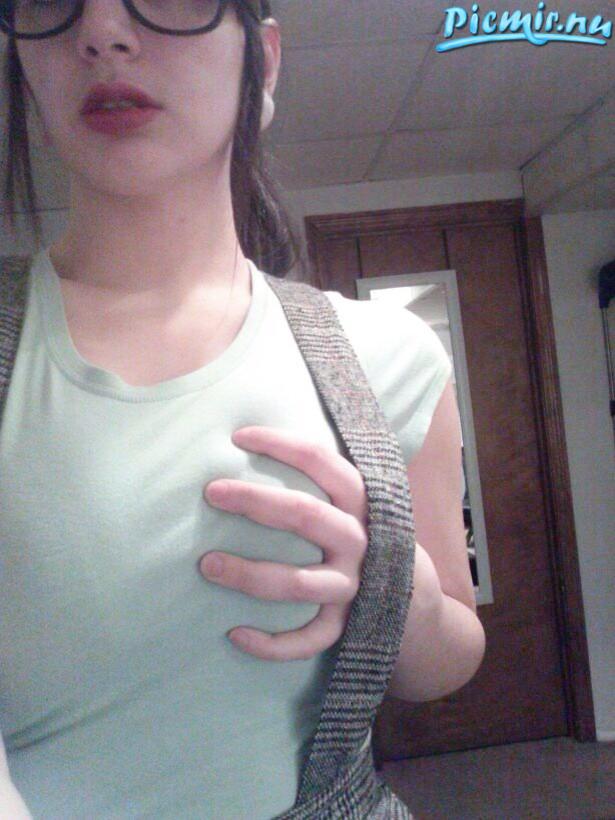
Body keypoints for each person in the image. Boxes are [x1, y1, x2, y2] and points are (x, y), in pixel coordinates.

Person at [0, 1, 486, 817]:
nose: (101, 31)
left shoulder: (389, 357)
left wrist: (395, 583)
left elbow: (447, 663)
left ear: (263, 58)